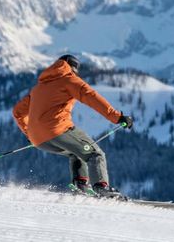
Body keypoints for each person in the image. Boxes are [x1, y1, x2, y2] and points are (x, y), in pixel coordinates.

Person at [12, 54, 134, 198]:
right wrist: (117, 117)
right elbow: (91, 96)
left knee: (77, 152)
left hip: (37, 138)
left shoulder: (39, 87)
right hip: (58, 130)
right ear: (73, 67)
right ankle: (102, 188)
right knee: (95, 154)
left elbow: (18, 112)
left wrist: (29, 133)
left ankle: (80, 185)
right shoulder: (69, 80)